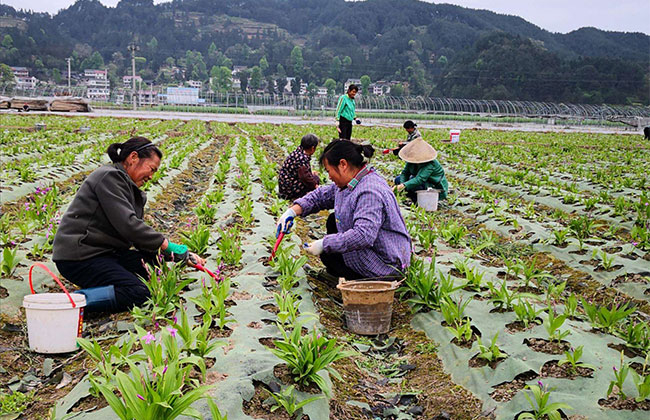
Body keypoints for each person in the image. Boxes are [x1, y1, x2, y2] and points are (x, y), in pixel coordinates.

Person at [52, 137, 204, 313]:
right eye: (151, 169)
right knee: (139, 292)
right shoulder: (109, 177)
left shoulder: (125, 184)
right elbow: (129, 225)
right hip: (80, 257)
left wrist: (178, 256)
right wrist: (167, 245)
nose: (151, 176)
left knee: (153, 266)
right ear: (133, 158)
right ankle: (68, 305)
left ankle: (103, 290)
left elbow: (137, 236)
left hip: (104, 253)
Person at [276, 140, 411, 283]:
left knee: (330, 252)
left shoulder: (370, 191)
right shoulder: (353, 180)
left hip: (386, 265)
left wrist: (324, 244)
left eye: (329, 171)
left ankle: (360, 280)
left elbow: (363, 235)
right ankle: (345, 274)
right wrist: (291, 212)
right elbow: (321, 196)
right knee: (334, 221)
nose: (329, 177)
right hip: (376, 250)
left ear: (343, 164)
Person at [393, 137, 449, 203]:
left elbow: (419, 179)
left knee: (415, 185)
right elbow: (405, 173)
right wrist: (402, 184)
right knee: (398, 179)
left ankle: (416, 200)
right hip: (419, 182)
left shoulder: (431, 164)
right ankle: (409, 195)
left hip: (432, 186)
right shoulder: (411, 160)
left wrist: (403, 186)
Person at [278, 134, 321, 200]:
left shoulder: (297, 152)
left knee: (313, 177)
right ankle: (302, 196)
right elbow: (305, 177)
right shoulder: (302, 158)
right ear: (312, 148)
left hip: (284, 186)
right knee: (315, 179)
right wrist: (317, 187)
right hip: (289, 190)